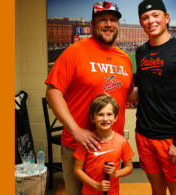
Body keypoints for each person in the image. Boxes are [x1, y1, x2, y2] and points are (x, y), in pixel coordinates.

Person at [45, 1, 134, 194]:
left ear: (118, 25)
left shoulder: (124, 58)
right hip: (79, 145)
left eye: (113, 20)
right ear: (92, 25)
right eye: (103, 20)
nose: (109, 24)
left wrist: (162, 88)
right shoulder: (75, 51)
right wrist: (76, 130)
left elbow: (128, 94)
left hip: (111, 147)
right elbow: (52, 92)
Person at [133, 0, 176, 194]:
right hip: (144, 134)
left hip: (171, 138)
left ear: (166, 18)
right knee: (157, 189)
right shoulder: (141, 52)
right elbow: (146, 86)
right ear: (141, 22)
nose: (150, 21)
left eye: (155, 15)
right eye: (145, 17)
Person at [74, 94, 134, 195]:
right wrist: (96, 185)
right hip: (90, 191)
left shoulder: (122, 142)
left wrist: (116, 173)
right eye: (100, 114)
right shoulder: (87, 142)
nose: (105, 119)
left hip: (112, 192)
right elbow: (77, 170)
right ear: (92, 118)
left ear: (115, 118)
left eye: (109, 114)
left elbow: (129, 167)